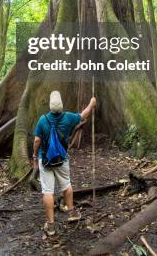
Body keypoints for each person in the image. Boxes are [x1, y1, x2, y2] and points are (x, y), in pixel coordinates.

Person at [33, 90, 97, 237]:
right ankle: (71, 212)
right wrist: (91, 104)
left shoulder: (42, 120)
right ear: (61, 105)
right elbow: (83, 115)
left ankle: (50, 226)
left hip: (46, 160)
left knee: (48, 191)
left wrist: (35, 156)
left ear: (50, 106)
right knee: (66, 185)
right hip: (62, 160)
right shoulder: (68, 117)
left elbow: (37, 140)